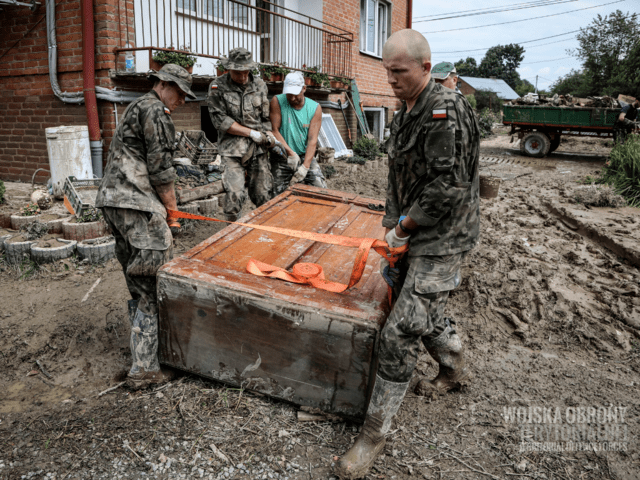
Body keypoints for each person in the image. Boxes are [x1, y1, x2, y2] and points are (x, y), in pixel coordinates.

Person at [335, 29, 480, 479]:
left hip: (443, 238)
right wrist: (391, 224)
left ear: (425, 67)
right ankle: (453, 365)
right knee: (414, 302)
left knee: (399, 334)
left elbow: (447, 188)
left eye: (399, 72)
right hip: (414, 232)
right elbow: (399, 173)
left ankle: (374, 432)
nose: (391, 79)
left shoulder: (445, 110)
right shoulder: (407, 109)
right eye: (387, 71)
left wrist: (404, 227)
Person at [95, 64, 196, 389]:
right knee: (152, 280)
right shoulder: (156, 112)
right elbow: (161, 170)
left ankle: (145, 358)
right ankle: (145, 368)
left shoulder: (136, 107)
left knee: (139, 283)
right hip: (136, 204)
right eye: (180, 92)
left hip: (113, 201)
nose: (181, 99)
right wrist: (173, 212)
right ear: (164, 84)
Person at [208, 48, 276, 221]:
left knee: (263, 194)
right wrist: (250, 132)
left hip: (257, 148)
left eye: (246, 72)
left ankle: (264, 232)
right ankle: (231, 234)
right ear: (229, 69)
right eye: (239, 73)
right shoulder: (218, 86)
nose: (243, 76)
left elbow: (265, 117)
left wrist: (269, 134)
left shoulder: (260, 85)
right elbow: (220, 121)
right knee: (235, 194)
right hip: (232, 149)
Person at [269, 71, 327, 195]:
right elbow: (274, 130)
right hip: (282, 156)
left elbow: (312, 140)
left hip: (304, 155)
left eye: (295, 94)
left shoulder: (315, 108)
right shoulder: (277, 101)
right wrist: (290, 153)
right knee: (276, 195)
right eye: (289, 95)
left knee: (320, 189)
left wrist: (305, 167)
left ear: (304, 89)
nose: (292, 98)